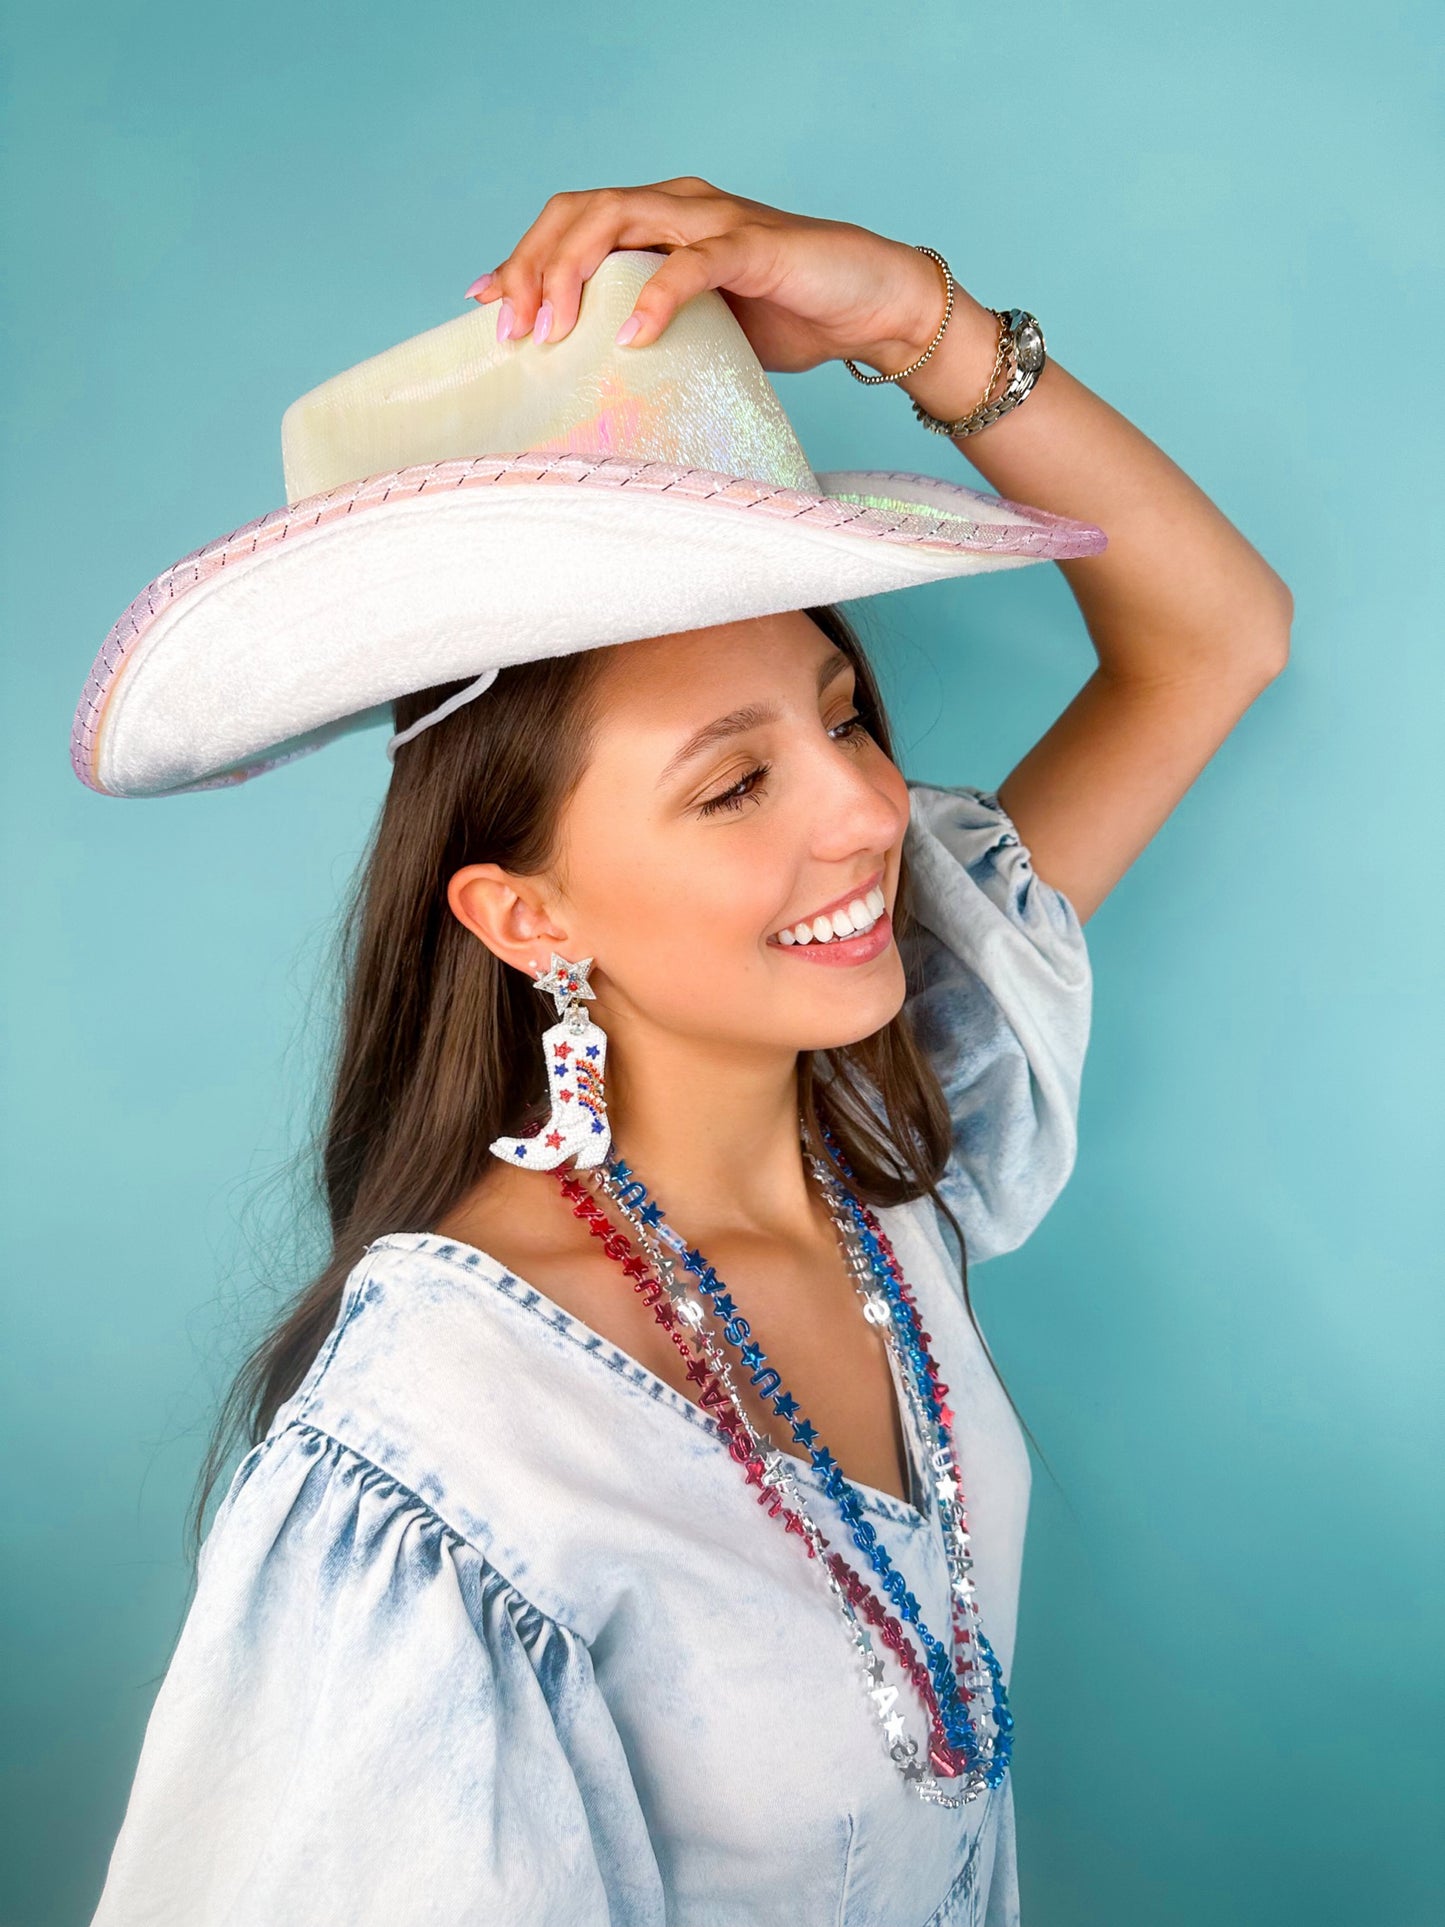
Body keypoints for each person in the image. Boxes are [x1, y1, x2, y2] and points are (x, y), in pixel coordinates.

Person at [76, 180, 1292, 1926]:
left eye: (842, 716)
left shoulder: (881, 1141)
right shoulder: (441, 1453)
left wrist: (915, 320)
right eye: (733, 786)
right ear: (523, 916)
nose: (865, 811)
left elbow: (1217, 638)